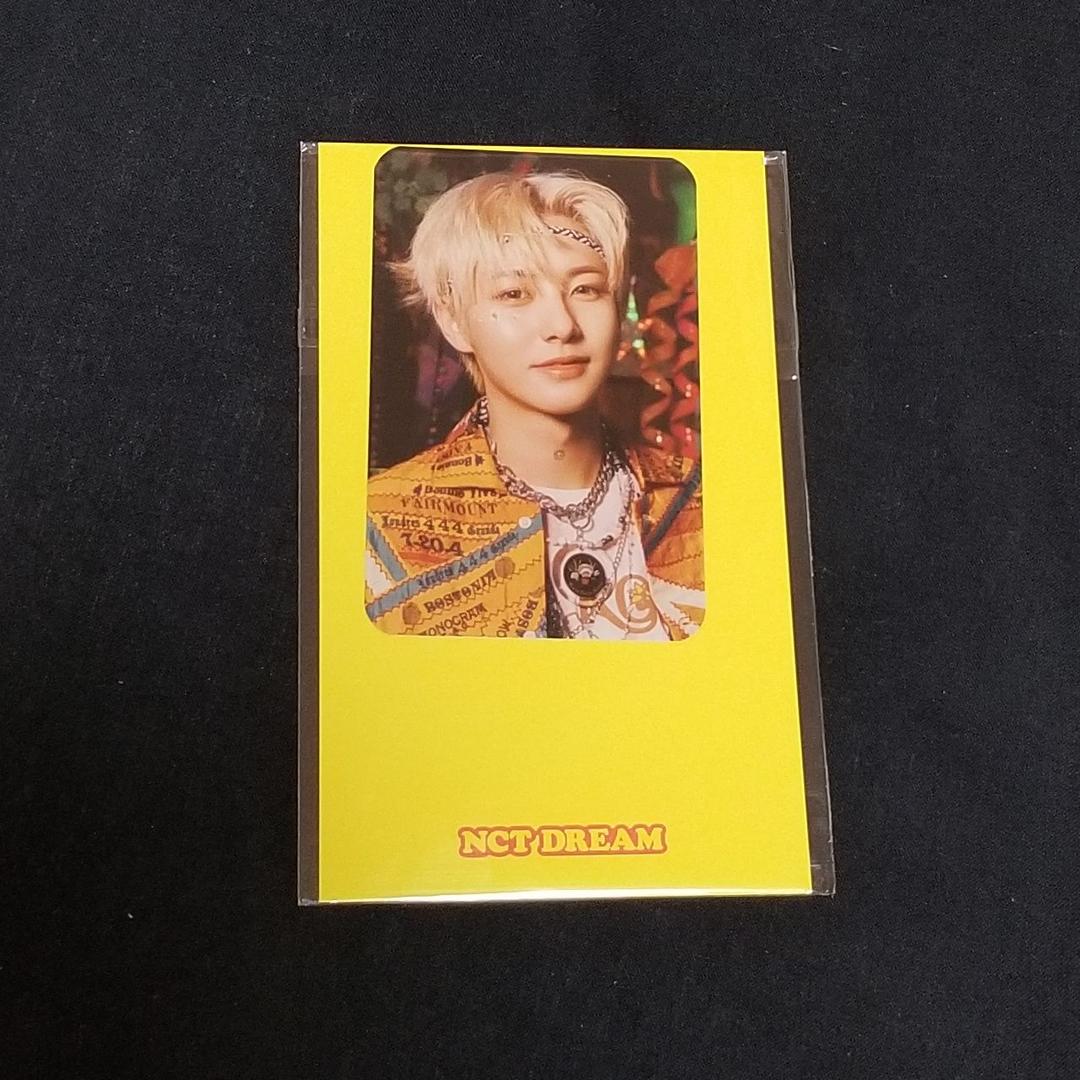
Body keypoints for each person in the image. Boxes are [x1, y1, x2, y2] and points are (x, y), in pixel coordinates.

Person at [365, 169, 704, 639]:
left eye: (585, 289)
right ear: (453, 321)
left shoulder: (704, 506)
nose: (562, 325)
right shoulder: (380, 523)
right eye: (514, 294)